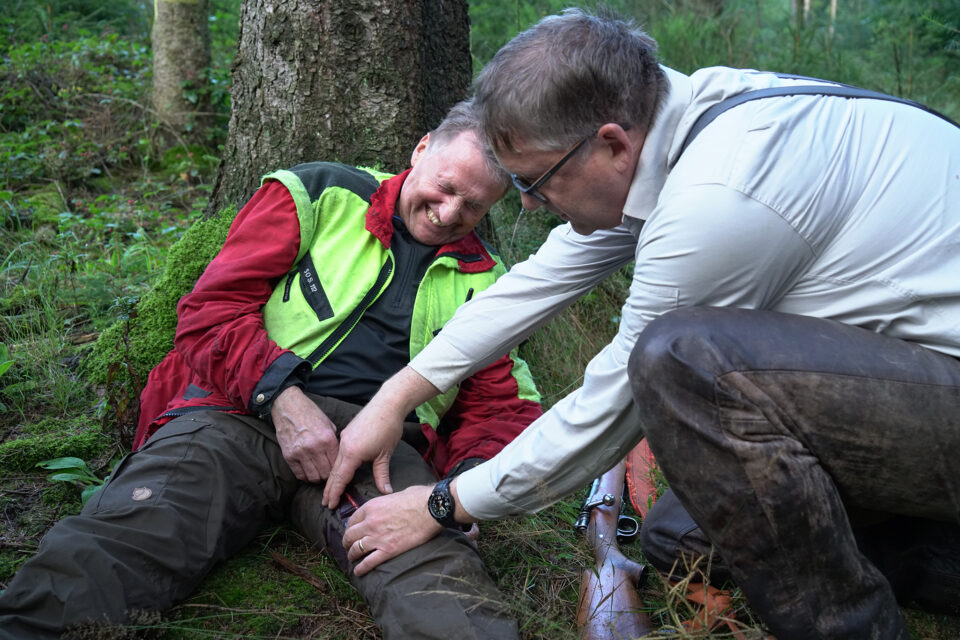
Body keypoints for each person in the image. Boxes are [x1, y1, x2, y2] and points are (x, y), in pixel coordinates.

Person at [322, 9, 960, 640]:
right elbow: (536, 283)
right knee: (679, 535)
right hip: (907, 382)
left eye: (535, 182)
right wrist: (396, 397)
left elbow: (613, 404)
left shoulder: (719, 196)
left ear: (611, 143)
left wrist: (443, 503)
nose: (525, 202)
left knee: (680, 359)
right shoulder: (682, 126)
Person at [0, 99, 543, 640]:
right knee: (132, 533)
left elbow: (499, 404)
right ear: (422, 149)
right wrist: (282, 397)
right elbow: (209, 312)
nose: (448, 214)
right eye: (445, 189)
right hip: (236, 416)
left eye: (471, 207)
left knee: (439, 581)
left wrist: (457, 495)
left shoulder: (488, 281)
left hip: (374, 453)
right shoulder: (318, 195)